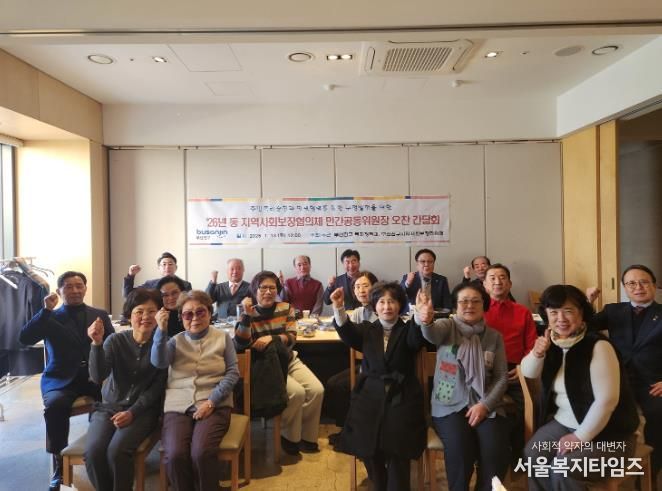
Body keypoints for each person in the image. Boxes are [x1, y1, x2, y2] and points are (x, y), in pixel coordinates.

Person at [522, 284, 639, 491]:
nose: (561, 318)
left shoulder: (598, 346)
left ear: (582, 312)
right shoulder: (553, 342)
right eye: (554, 312)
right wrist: (537, 353)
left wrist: (579, 437)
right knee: (533, 454)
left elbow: (607, 401)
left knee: (563, 469)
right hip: (564, 423)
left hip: (612, 435)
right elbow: (529, 373)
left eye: (568, 311)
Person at [19, 271, 115, 490]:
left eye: (79, 286)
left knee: (109, 402)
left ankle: (98, 452)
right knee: (55, 406)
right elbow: (25, 339)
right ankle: (59, 464)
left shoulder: (99, 314)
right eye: (69, 287)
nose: (75, 290)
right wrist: (45, 310)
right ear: (59, 291)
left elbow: (111, 344)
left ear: (85, 288)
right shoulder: (49, 316)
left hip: (94, 377)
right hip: (60, 378)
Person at [330, 281, 426, 490]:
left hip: (402, 393)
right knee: (365, 437)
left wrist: (420, 312)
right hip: (370, 393)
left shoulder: (407, 329)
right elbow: (347, 333)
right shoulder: (367, 329)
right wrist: (338, 307)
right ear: (374, 306)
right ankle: (379, 482)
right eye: (382, 302)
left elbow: (416, 338)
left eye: (392, 301)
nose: (387, 306)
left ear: (400, 305)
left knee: (398, 440)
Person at [418, 283, 510, 491]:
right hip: (448, 403)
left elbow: (501, 377)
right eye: (464, 301)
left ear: (484, 305)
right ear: (455, 306)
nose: (470, 305)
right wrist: (426, 319)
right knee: (460, 450)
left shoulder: (494, 337)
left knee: (495, 449)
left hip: (485, 403)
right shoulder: (447, 327)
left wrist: (485, 405)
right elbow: (431, 333)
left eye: (476, 301)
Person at [151, 290, 239, 490]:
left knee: (201, 452)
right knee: (175, 454)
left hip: (214, 403)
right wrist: (161, 330)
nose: (195, 318)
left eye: (200, 312)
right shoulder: (175, 341)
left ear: (209, 312)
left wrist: (212, 401)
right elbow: (159, 362)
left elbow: (233, 373)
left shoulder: (223, 338)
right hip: (177, 405)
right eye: (188, 314)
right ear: (181, 317)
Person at [85, 288, 167, 491]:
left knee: (117, 452)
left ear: (160, 315)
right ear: (130, 315)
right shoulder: (115, 341)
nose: (146, 317)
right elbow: (98, 376)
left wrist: (132, 412)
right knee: (93, 452)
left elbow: (157, 388)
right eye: (139, 311)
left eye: (152, 311)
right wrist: (96, 343)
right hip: (108, 408)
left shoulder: (163, 345)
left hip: (142, 412)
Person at [234, 271, 324, 455]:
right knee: (297, 393)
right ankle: (289, 435)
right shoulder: (249, 312)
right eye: (263, 288)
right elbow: (241, 344)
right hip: (267, 365)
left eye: (272, 288)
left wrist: (272, 338)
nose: (268, 292)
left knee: (317, 390)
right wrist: (246, 316)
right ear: (255, 290)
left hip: (288, 358)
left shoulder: (286, 308)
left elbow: (292, 337)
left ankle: (307, 436)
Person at [587, 264, 662, 476]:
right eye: (631, 283)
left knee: (659, 414)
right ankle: (603, 468)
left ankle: (651, 472)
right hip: (617, 379)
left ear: (654, 285)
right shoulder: (613, 310)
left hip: (653, 382)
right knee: (598, 411)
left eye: (644, 282)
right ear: (624, 288)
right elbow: (584, 326)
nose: (638, 287)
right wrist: (588, 302)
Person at [482, 263, 537, 461]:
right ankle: (489, 454)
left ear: (510, 284)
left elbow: (531, 346)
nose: (498, 281)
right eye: (492, 278)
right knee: (483, 406)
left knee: (532, 405)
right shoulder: (477, 311)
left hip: (515, 370)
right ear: (484, 285)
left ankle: (521, 455)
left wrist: (522, 367)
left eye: (502, 277)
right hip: (484, 370)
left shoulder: (523, 312)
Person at [326, 271, 379, 434]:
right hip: (362, 363)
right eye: (357, 287)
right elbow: (350, 334)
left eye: (365, 286)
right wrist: (338, 307)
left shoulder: (382, 308)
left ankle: (353, 430)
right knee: (333, 383)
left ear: (375, 288)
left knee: (341, 385)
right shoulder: (357, 312)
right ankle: (346, 429)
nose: (361, 290)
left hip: (378, 367)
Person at [123, 251, 191, 298]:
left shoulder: (186, 285)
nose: (167, 267)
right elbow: (128, 294)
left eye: (170, 264)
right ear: (159, 268)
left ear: (176, 267)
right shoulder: (150, 284)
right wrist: (131, 276)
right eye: (164, 264)